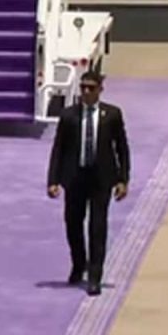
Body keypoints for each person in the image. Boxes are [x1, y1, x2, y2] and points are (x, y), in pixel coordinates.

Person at [47, 71, 131, 296]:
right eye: (83, 87)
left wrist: (123, 179)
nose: (86, 92)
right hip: (75, 178)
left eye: (91, 88)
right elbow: (59, 148)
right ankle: (79, 263)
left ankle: (95, 276)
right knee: (73, 224)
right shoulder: (69, 115)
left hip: (101, 179)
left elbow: (121, 148)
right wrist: (53, 180)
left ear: (100, 90)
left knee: (97, 227)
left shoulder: (112, 115)